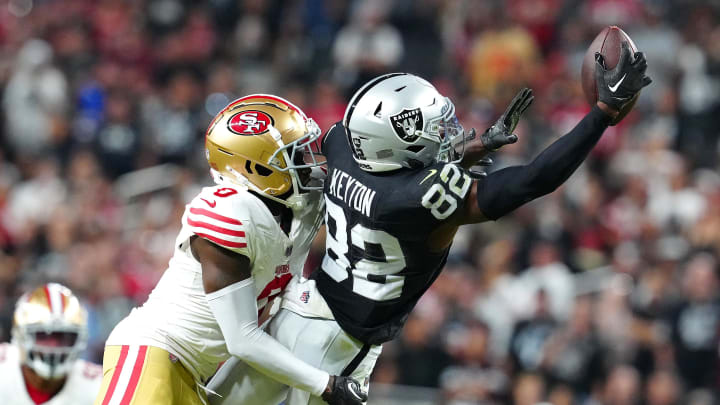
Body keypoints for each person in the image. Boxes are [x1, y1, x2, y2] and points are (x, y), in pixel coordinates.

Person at [208, 43, 651, 404]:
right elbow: (533, 181)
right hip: (335, 342)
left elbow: (392, 171)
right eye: (432, 128)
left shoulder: (343, 143)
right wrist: (601, 117)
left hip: (303, 307)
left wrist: (469, 149)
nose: (446, 133)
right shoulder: (414, 199)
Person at [94, 95, 366, 405]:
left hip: (197, 376)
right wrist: (326, 385)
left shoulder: (299, 209)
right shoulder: (228, 212)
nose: (309, 165)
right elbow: (243, 337)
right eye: (294, 156)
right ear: (256, 168)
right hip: (153, 353)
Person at [0, 282, 102, 404]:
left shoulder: (97, 385)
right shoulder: (4, 369)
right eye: (43, 336)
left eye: (64, 337)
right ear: (20, 335)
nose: (54, 346)